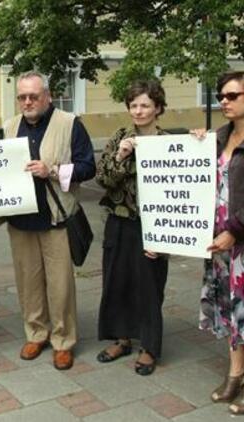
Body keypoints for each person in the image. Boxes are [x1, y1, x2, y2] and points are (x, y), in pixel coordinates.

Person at [0, 71, 95, 370]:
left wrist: (51, 169)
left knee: (60, 284)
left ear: (47, 96)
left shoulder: (69, 123)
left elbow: (88, 166)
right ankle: (36, 333)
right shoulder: (9, 126)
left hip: (56, 218)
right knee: (28, 283)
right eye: (22, 97)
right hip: (20, 219)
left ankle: (63, 340)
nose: (28, 101)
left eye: (33, 96)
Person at [95, 80, 169, 376]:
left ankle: (149, 347)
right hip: (119, 221)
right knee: (117, 281)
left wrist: (200, 139)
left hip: (154, 225)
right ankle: (121, 338)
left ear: (158, 108)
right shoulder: (119, 137)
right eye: (134, 105)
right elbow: (103, 179)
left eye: (145, 105)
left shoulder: (168, 142)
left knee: (150, 285)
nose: (139, 111)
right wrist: (120, 156)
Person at [198, 71, 244, 414]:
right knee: (231, 310)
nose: (224, 102)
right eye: (221, 97)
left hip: (239, 238)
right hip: (219, 241)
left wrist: (236, 230)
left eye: (232, 96)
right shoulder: (219, 138)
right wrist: (195, 143)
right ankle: (236, 373)